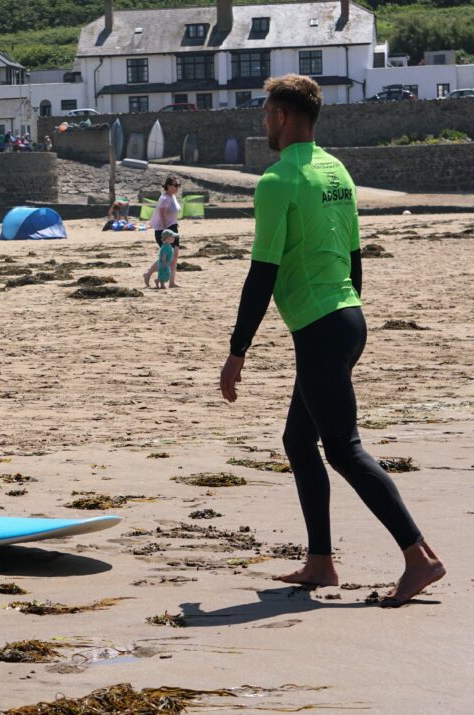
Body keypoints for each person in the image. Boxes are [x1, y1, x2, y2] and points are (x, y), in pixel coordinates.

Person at [219, 74, 444, 607]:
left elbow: (262, 273)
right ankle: (320, 562)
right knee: (300, 441)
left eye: (266, 112)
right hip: (346, 317)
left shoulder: (278, 181)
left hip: (322, 329)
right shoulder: (336, 171)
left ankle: (419, 557)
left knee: (343, 449)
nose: (263, 121)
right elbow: (355, 257)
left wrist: (236, 351)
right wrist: (350, 318)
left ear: (282, 118)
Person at [143, 177, 181, 288]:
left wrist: (175, 223)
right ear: (168, 185)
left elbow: (172, 213)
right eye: (175, 185)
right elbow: (162, 214)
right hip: (163, 230)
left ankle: (172, 282)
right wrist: (166, 230)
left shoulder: (172, 197)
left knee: (174, 255)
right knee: (167, 255)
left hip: (173, 228)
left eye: (178, 185)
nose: (177, 187)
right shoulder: (164, 198)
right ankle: (148, 274)